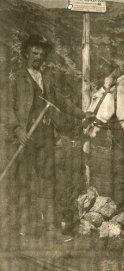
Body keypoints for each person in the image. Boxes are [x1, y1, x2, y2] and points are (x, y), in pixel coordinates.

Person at [4, 34, 95, 241]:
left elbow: (62, 102)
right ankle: (23, 227)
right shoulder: (16, 79)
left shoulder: (46, 79)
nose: (38, 57)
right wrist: (17, 129)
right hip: (24, 138)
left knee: (48, 182)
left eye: (41, 54)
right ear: (26, 53)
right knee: (24, 182)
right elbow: (6, 107)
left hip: (45, 138)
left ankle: (51, 228)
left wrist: (83, 114)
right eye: (34, 53)